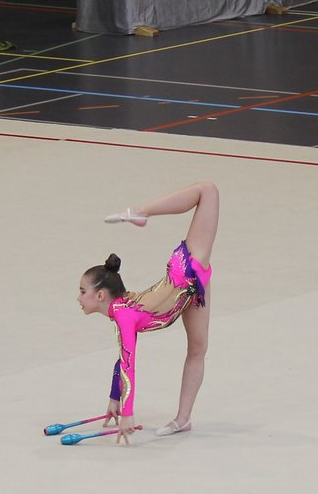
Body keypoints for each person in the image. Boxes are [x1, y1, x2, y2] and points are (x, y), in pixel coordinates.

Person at [75, 182, 218, 443]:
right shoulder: (121, 312)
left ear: (100, 295)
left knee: (207, 191)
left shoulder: (123, 315)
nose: (78, 298)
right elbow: (123, 358)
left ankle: (140, 212)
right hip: (189, 292)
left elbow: (129, 365)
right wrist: (114, 398)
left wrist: (128, 413)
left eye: (82, 291)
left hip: (186, 271)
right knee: (197, 349)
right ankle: (183, 419)